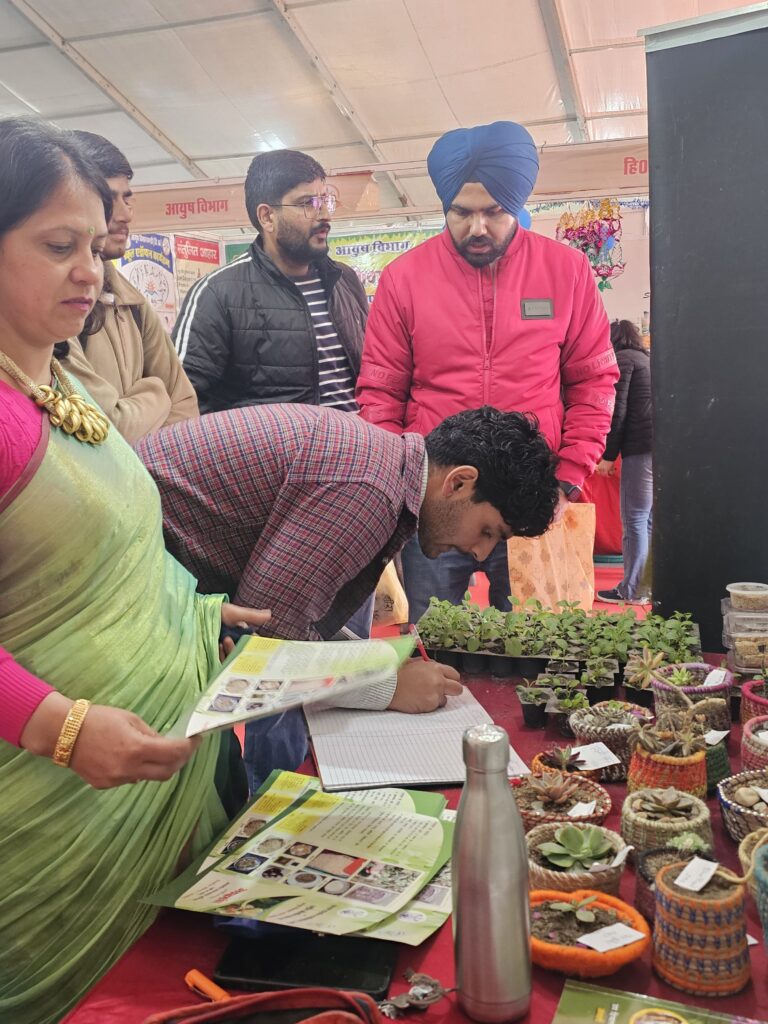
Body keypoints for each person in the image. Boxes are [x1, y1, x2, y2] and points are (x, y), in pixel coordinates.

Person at [0, 116, 272, 1024]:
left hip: (142, 783)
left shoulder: (58, 388)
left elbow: (107, 548)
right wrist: (62, 729)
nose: (91, 271)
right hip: (47, 819)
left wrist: (191, 613)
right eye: (58, 247)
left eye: (95, 245)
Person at [136, 401, 561, 789]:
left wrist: (370, 664)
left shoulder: (381, 467)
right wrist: (386, 686)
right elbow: (265, 637)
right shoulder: (369, 490)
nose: (480, 553)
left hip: (154, 576)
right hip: (130, 585)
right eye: (487, 531)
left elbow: (292, 614)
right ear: (459, 482)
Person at [355, 120, 619, 622]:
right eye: (461, 212)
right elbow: (380, 392)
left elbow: (594, 381)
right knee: (434, 638)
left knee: (537, 643)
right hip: (436, 500)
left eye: (494, 212)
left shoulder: (567, 271)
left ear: (517, 204)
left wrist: (568, 477)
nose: (477, 227)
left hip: (534, 498)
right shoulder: (403, 279)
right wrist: (402, 487)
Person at [172, 148, 367, 417]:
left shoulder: (344, 281)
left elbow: (372, 375)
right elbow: (183, 400)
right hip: (272, 446)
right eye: (307, 203)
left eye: (325, 200)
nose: (324, 215)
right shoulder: (217, 294)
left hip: (358, 442)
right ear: (267, 217)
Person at [56, 130, 198, 443]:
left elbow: (185, 403)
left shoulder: (132, 303)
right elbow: (107, 427)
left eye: (127, 198)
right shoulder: (53, 303)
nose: (124, 214)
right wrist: (156, 391)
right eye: (109, 199)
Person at [595, 320, 653, 604]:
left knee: (635, 519)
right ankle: (646, 587)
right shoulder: (648, 361)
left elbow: (617, 413)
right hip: (660, 449)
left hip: (638, 448)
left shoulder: (623, 361)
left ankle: (631, 590)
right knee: (649, 520)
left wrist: (608, 456)